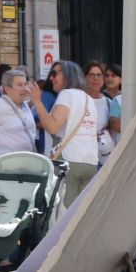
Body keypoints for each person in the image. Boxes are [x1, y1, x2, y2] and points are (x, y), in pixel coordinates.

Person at [47, 60, 101, 206]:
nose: (51, 78)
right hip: (90, 162)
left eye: (54, 73)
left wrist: (37, 102)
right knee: (82, 212)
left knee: (64, 214)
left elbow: (52, 127)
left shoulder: (66, 94)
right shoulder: (88, 99)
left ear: (67, 75)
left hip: (69, 160)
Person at [0, 67, 45, 159]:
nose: (24, 88)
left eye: (25, 84)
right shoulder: (0, 107)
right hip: (3, 168)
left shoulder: (24, 105)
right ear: (8, 89)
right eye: (20, 85)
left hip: (23, 164)